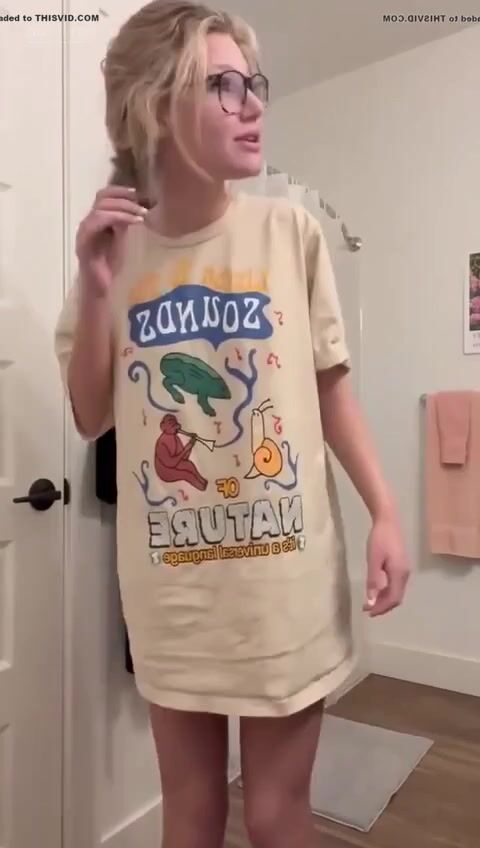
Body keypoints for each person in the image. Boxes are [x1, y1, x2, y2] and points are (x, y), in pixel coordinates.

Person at [54, 2, 411, 846]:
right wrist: (99, 291)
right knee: (192, 815)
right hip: (175, 595)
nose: (252, 104)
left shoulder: (289, 232)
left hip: (286, 590)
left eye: (255, 83)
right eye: (222, 85)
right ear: (155, 105)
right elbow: (90, 413)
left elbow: (330, 390)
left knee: (279, 816)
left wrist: (387, 512)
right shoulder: (114, 256)